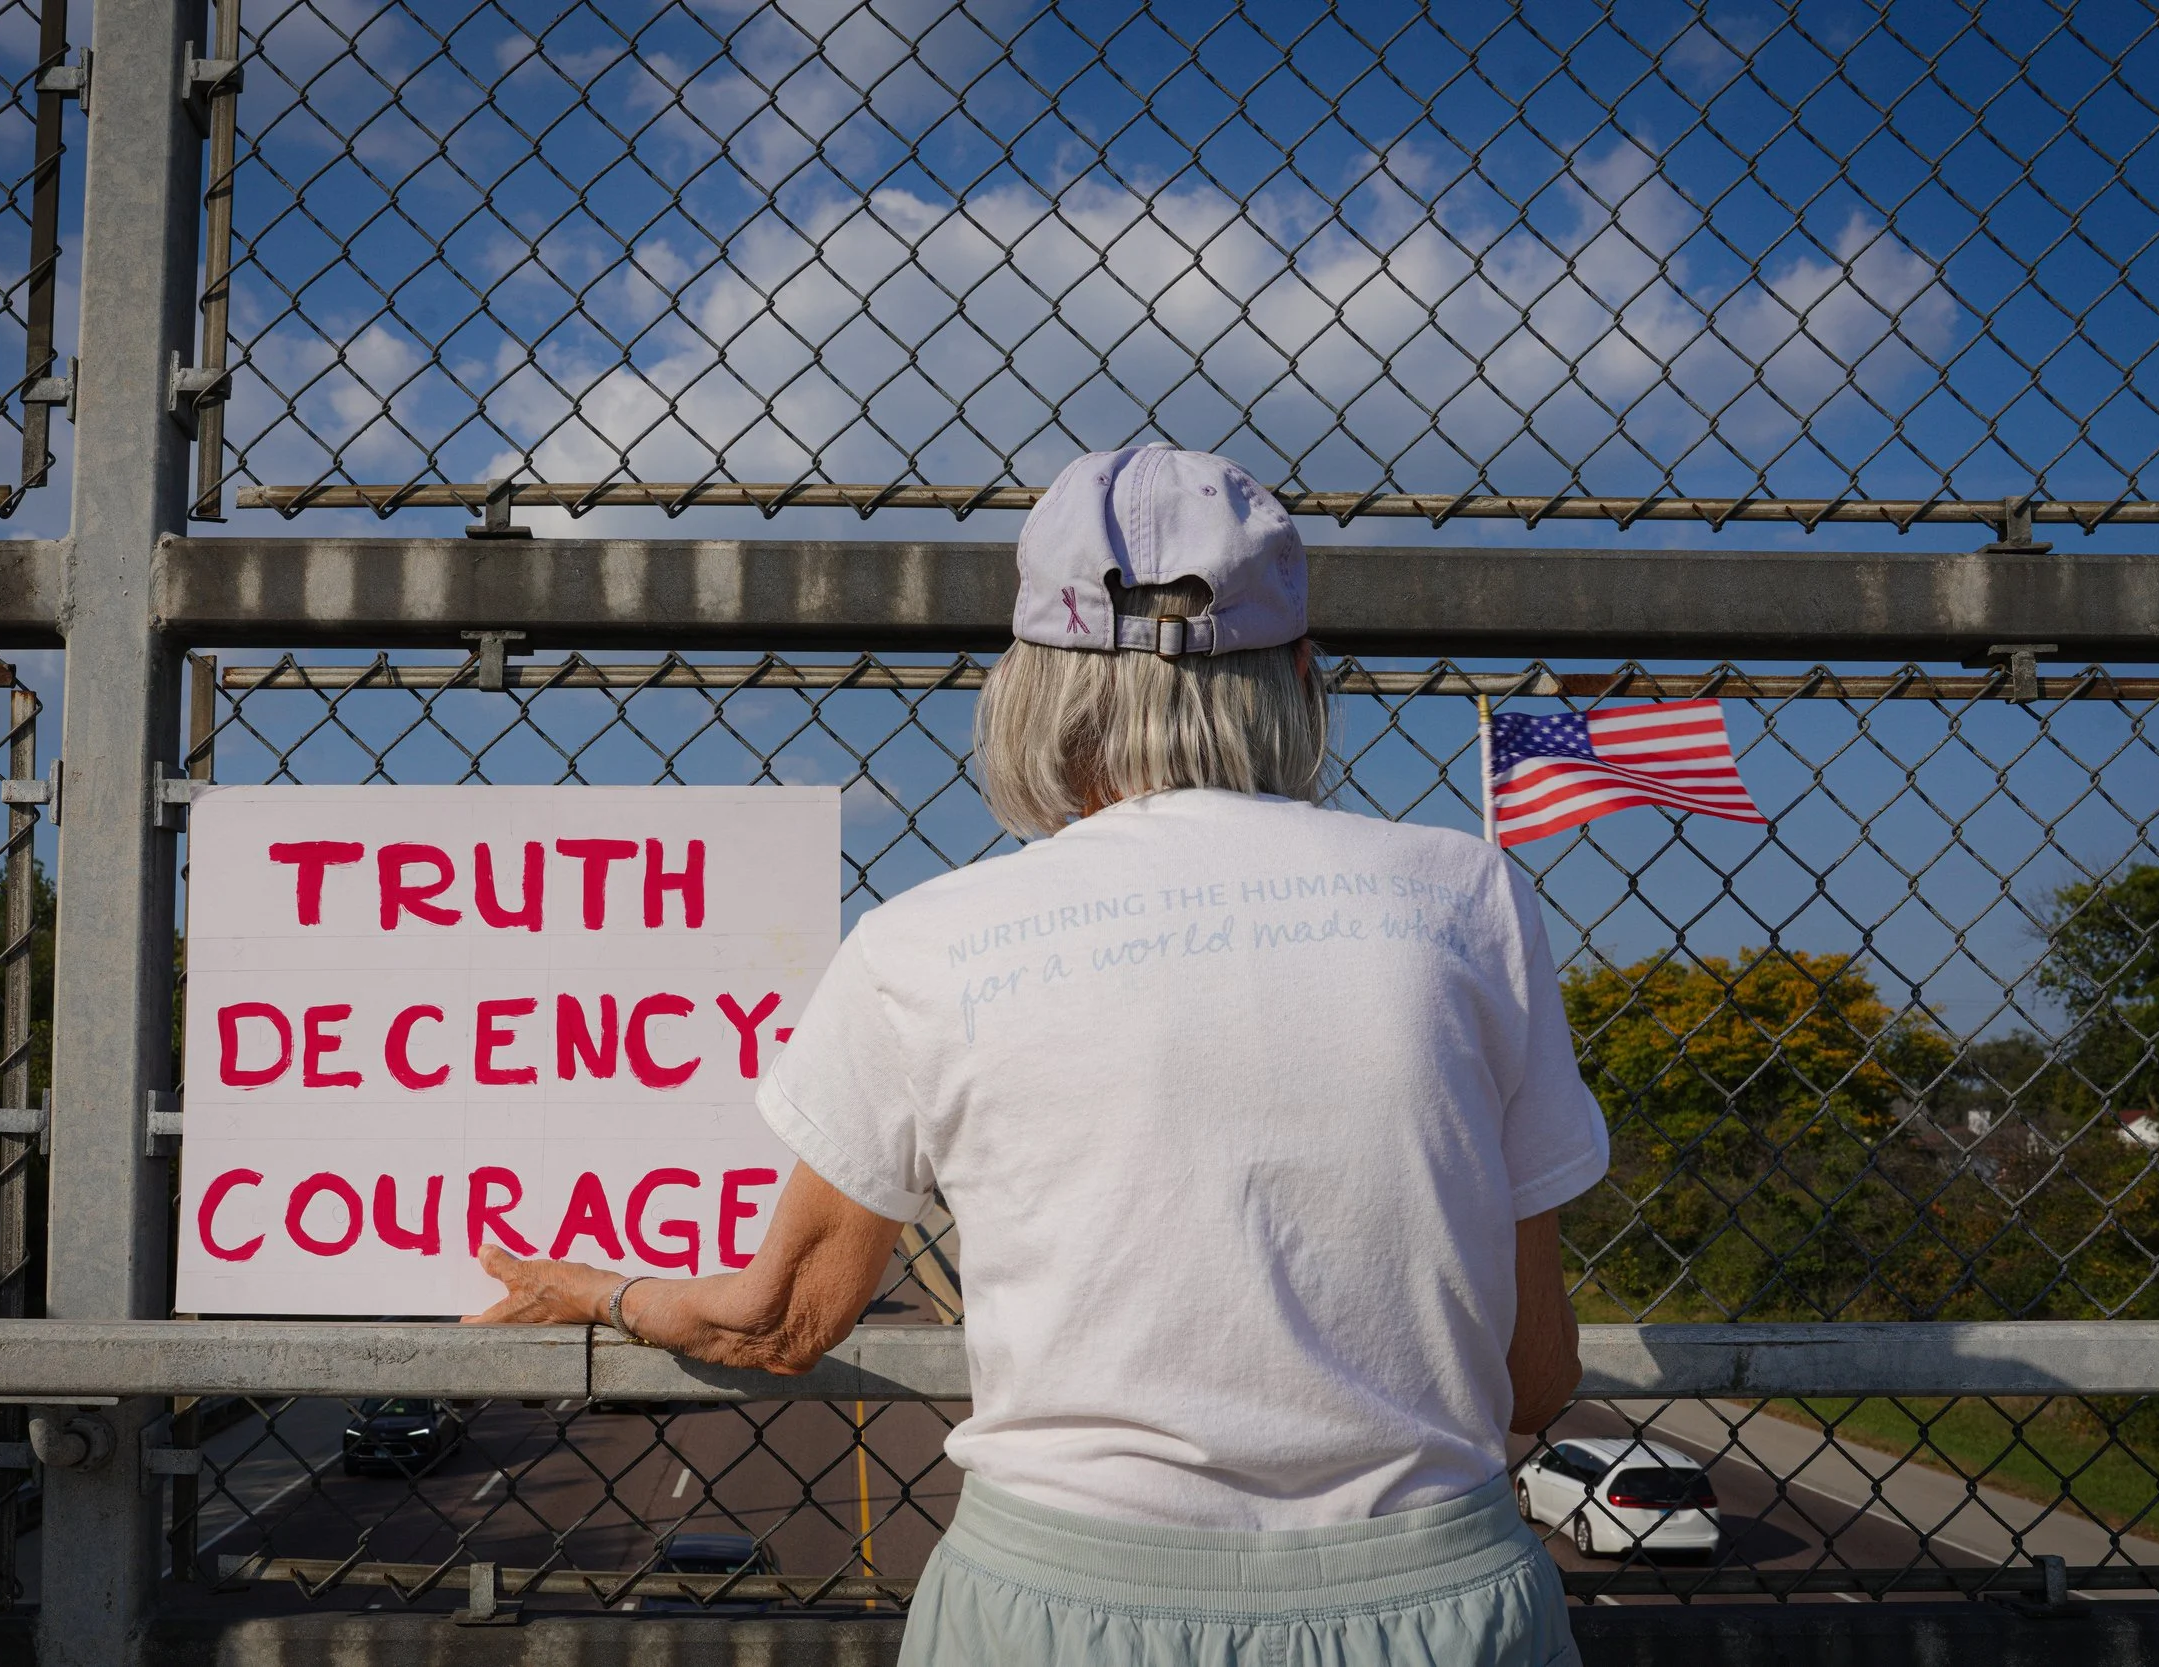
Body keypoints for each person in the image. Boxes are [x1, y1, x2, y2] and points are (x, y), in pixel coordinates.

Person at [470, 443, 1607, 1665]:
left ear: (1030, 681)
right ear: (1295, 672)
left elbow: (780, 1320)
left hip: (1059, 1607)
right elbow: (1531, 1373)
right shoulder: (1465, 894)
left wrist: (599, 1292)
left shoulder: (925, 940)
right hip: (1436, 1597)